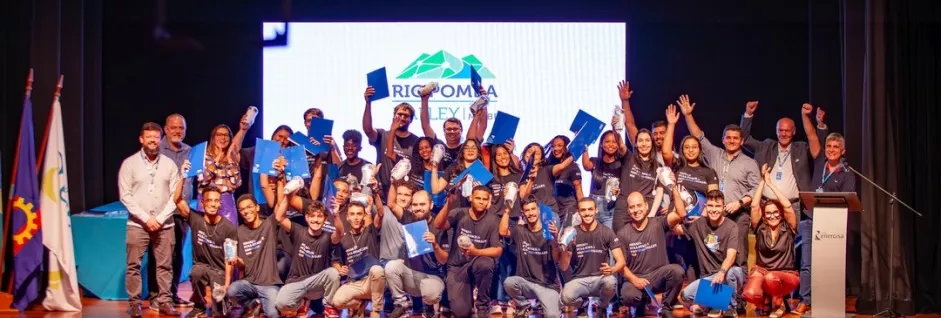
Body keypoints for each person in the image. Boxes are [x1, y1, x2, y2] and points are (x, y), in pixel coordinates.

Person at [679, 94, 759, 268]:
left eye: (735, 138)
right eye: (728, 137)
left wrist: (739, 203)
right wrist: (687, 115)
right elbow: (698, 136)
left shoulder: (750, 163)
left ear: (742, 140)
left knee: (738, 252)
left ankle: (738, 289)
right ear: (723, 139)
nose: (731, 141)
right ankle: (714, 287)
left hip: (737, 214)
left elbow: (755, 188)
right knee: (712, 251)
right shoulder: (714, 153)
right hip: (713, 213)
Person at [119, 122, 183, 317]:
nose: (153, 141)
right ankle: (135, 303)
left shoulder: (170, 164)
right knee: (133, 266)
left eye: (156, 137)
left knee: (165, 265)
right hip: (137, 224)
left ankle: (165, 301)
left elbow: (176, 196)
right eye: (149, 138)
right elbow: (125, 195)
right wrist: (147, 219)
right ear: (141, 139)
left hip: (165, 224)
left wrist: (160, 218)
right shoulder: (129, 164)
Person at [796, 111, 853, 316]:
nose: (831, 150)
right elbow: (812, 136)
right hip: (811, 220)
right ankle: (805, 301)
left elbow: (848, 201)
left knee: (831, 264)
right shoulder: (819, 160)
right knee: (807, 263)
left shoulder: (847, 173)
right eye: (828, 146)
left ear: (843, 151)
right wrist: (806, 117)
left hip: (832, 224)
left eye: (835, 147)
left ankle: (832, 301)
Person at [661, 105, 720, 282]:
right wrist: (671, 124)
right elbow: (665, 152)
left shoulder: (709, 172)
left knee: (712, 259)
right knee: (689, 263)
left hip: (705, 225)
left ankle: (717, 303)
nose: (691, 150)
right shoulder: (678, 167)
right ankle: (697, 303)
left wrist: (703, 218)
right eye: (687, 147)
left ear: (700, 149)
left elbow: (714, 199)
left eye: (694, 147)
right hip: (681, 225)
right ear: (682, 150)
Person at [272, 180, 344, 318]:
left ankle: (329, 306)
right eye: (312, 216)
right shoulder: (299, 231)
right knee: (281, 303)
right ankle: (301, 304)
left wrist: (336, 216)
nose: (316, 220)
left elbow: (340, 233)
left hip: (317, 285)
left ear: (324, 219)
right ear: (306, 218)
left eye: (319, 216)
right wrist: (287, 197)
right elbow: (279, 218)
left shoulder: (326, 237)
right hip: (297, 282)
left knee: (333, 273)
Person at [433, 186, 503, 318]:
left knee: (486, 264)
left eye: (484, 199)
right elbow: (438, 224)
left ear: (488, 202)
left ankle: (482, 305)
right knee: (461, 313)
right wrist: (449, 203)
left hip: (478, 262)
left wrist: (476, 251)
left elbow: (498, 250)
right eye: (478, 198)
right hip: (457, 267)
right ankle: (467, 297)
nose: (481, 201)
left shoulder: (493, 220)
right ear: (471, 198)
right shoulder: (459, 213)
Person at [146, 114, 193, 308]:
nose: (177, 131)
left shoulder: (190, 151)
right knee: (158, 254)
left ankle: (171, 294)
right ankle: (156, 295)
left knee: (177, 255)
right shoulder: (157, 149)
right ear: (165, 129)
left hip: (182, 213)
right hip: (161, 212)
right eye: (174, 127)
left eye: (181, 128)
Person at [617, 190, 686, 318]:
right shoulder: (623, 233)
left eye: (639, 205)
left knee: (677, 271)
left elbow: (681, 214)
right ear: (628, 210)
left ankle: (666, 307)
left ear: (646, 206)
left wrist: (674, 188)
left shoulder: (658, 223)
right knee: (628, 296)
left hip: (658, 277)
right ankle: (641, 303)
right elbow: (621, 266)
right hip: (636, 279)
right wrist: (635, 280)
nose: (636, 210)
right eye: (632, 207)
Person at [172, 182, 237, 318]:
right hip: (201, 266)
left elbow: (230, 259)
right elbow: (176, 199)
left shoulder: (229, 228)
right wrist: (183, 178)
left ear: (220, 204)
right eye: (209, 200)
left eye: (216, 201)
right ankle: (199, 306)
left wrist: (226, 284)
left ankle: (224, 304)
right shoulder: (196, 218)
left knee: (219, 313)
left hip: (219, 270)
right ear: (202, 203)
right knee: (196, 272)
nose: (213, 204)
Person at [678, 190, 746, 318]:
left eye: (717, 206)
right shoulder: (698, 225)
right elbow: (676, 228)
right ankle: (718, 303)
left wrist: (721, 272)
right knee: (685, 295)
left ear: (723, 207)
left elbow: (731, 255)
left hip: (728, 274)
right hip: (709, 279)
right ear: (705, 207)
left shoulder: (732, 226)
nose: (714, 210)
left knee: (732, 273)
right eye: (710, 206)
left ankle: (730, 308)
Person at [743, 164, 800, 318]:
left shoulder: (788, 228)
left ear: (781, 214)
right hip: (763, 272)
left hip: (785, 275)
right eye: (768, 213)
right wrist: (762, 181)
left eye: (776, 212)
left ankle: (779, 303)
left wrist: (771, 184)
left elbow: (787, 206)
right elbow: (755, 206)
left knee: (771, 278)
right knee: (749, 293)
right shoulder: (760, 227)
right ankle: (766, 303)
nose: (772, 216)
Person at [385, 191, 450, 318]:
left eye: (422, 204)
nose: (418, 208)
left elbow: (444, 260)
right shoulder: (409, 218)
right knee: (391, 266)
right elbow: (391, 205)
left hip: (433, 277)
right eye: (415, 204)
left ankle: (429, 305)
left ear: (431, 205)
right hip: (413, 276)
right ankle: (401, 305)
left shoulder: (440, 223)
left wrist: (435, 245)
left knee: (431, 294)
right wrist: (393, 181)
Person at [558, 198, 626, 318]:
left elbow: (621, 261)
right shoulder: (573, 233)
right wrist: (566, 249)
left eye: (590, 209)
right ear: (578, 212)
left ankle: (602, 306)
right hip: (579, 280)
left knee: (611, 282)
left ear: (596, 210)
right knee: (565, 297)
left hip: (600, 279)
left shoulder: (606, 231)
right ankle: (583, 303)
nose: (587, 213)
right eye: (583, 210)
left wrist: (612, 270)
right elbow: (563, 266)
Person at [499, 196, 563, 318]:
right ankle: (524, 306)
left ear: (538, 210)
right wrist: (507, 209)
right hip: (526, 283)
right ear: (523, 213)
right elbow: (502, 232)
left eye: (533, 209)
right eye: (527, 210)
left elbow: (556, 259)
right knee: (509, 282)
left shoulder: (548, 231)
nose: (531, 213)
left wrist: (556, 240)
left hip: (547, 286)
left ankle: (555, 303)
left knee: (552, 315)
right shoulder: (520, 230)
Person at [227, 194, 282, 318]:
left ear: (257, 207)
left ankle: (262, 304)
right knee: (232, 291)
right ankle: (254, 303)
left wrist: (280, 179)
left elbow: (280, 205)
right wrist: (236, 261)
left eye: (249, 207)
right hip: (249, 283)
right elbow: (242, 265)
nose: (246, 211)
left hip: (269, 284)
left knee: (273, 315)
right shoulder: (239, 231)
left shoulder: (269, 225)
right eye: (242, 209)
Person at [332, 197, 386, 318]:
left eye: (359, 214)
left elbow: (381, 214)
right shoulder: (343, 238)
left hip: (372, 281)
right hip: (354, 283)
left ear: (364, 216)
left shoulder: (370, 231)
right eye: (352, 214)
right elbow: (335, 261)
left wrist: (374, 200)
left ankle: (376, 311)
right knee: (337, 301)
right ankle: (358, 304)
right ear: (347, 217)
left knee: (377, 269)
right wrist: (339, 268)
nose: (356, 218)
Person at [363, 86, 419, 195]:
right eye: (399, 114)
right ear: (394, 116)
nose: (402, 118)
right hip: (381, 192)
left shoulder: (416, 141)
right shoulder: (383, 135)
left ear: (411, 120)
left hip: (405, 194)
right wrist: (368, 103)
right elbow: (368, 129)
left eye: (406, 116)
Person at [197, 115, 251, 225]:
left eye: (226, 135)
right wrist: (216, 161)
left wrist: (230, 160)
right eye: (219, 135)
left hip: (227, 203)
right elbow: (204, 179)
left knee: (229, 237)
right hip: (207, 201)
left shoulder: (232, 157)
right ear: (213, 137)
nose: (223, 138)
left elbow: (236, 183)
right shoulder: (204, 155)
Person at [613, 129, 665, 232]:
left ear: (652, 143)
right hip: (624, 210)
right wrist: (615, 128)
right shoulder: (629, 158)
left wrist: (651, 214)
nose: (644, 144)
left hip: (644, 213)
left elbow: (659, 191)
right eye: (640, 141)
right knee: (621, 245)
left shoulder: (658, 166)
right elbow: (620, 144)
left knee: (642, 246)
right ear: (636, 144)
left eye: (647, 140)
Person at [582, 129, 629, 229]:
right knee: (593, 238)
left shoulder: (622, 164)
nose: (611, 145)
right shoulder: (595, 161)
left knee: (608, 239)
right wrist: (584, 146)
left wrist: (618, 191)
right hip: (593, 205)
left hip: (611, 207)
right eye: (607, 141)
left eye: (614, 142)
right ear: (601, 144)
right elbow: (586, 166)